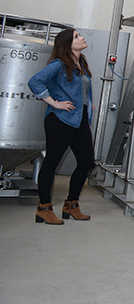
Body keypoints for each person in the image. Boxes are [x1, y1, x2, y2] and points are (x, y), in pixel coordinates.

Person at [28, 28, 95, 224]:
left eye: (79, 35)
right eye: (76, 36)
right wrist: (54, 103)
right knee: (51, 162)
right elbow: (35, 81)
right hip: (61, 119)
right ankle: (44, 208)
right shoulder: (59, 64)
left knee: (86, 162)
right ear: (67, 44)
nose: (81, 38)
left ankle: (71, 205)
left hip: (80, 120)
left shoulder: (81, 63)